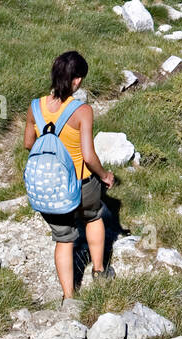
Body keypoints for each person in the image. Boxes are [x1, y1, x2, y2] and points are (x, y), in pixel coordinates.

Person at [24, 50, 116, 307]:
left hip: (52, 188)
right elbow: (88, 156)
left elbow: (28, 143)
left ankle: (69, 298)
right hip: (83, 182)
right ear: (76, 80)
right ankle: (99, 271)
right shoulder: (82, 110)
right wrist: (105, 175)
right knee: (94, 216)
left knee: (63, 239)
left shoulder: (35, 107)